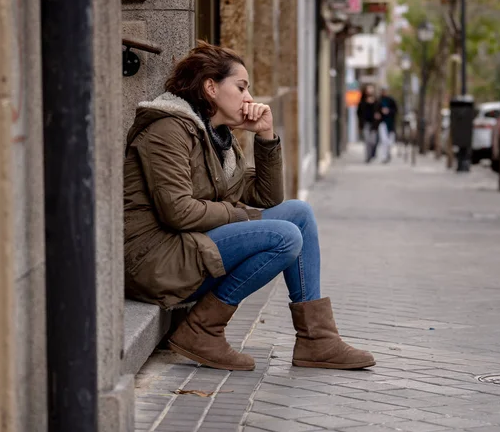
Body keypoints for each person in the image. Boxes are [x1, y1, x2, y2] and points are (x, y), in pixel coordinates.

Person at [123, 41, 375, 371]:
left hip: (187, 246)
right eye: (241, 87)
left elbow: (268, 198)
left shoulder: (217, 138)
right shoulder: (168, 130)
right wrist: (242, 216)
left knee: (298, 213)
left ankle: (317, 339)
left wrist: (266, 136)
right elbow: (178, 211)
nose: (248, 98)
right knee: (284, 236)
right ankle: (203, 330)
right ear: (210, 87)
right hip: (153, 259)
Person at [357, 85, 382, 163]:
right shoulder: (362, 101)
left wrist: (378, 115)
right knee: (367, 141)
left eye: (371, 89)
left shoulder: (377, 101)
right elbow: (358, 112)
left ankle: (373, 153)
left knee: (373, 141)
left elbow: (380, 112)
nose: (369, 91)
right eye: (368, 89)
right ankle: (368, 157)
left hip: (374, 124)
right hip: (366, 123)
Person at [378, 86, 399, 163]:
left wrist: (388, 111)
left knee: (390, 142)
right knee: (384, 141)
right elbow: (376, 111)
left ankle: (388, 154)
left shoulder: (391, 100)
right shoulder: (379, 100)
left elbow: (396, 110)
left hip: (391, 124)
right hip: (382, 123)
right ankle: (384, 156)